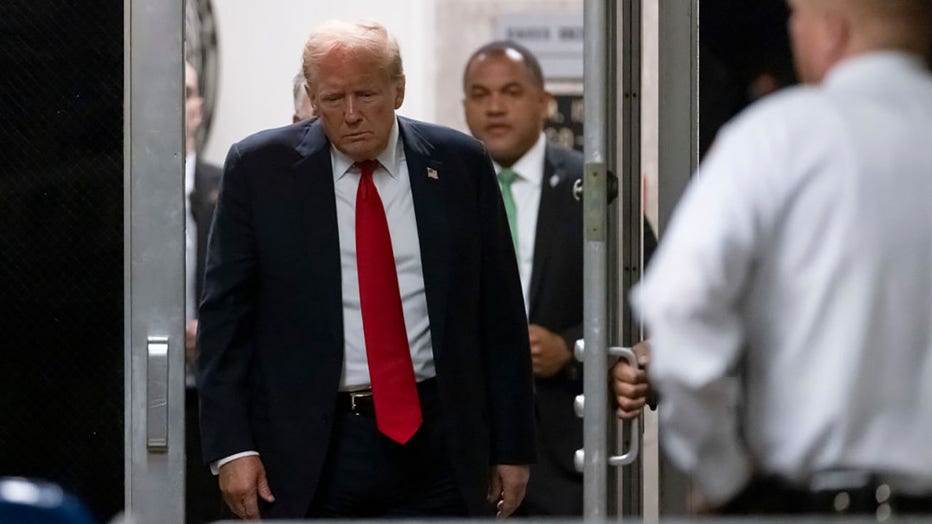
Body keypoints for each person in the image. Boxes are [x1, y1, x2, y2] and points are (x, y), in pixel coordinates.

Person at [197, 20, 535, 520]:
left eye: (367, 95)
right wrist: (231, 448)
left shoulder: (460, 165)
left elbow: (500, 317)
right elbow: (225, 322)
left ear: (399, 89)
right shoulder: (259, 171)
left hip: (441, 439)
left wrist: (513, 446)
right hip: (313, 445)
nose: (351, 115)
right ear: (310, 97)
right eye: (332, 99)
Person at [631, 0, 932, 516]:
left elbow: (680, 306)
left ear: (832, 32)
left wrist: (724, 474)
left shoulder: (778, 137)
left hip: (811, 505)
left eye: (797, 19)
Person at [183, 60, 223, 524]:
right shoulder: (124, 196)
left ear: (199, 107)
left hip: (211, 392)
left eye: (187, 92)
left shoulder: (230, 185)